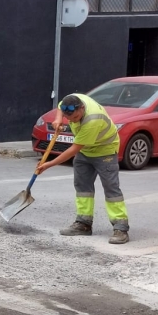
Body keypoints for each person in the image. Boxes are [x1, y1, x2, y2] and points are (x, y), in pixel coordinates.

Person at [36, 92, 130, 244]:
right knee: (82, 187)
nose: (72, 121)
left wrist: (49, 164)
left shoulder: (92, 120)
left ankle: (121, 228)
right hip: (85, 150)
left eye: (74, 118)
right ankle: (83, 224)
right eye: (69, 118)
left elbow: (73, 149)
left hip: (104, 150)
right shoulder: (71, 100)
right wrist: (58, 119)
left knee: (111, 189)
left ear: (82, 108)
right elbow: (60, 105)